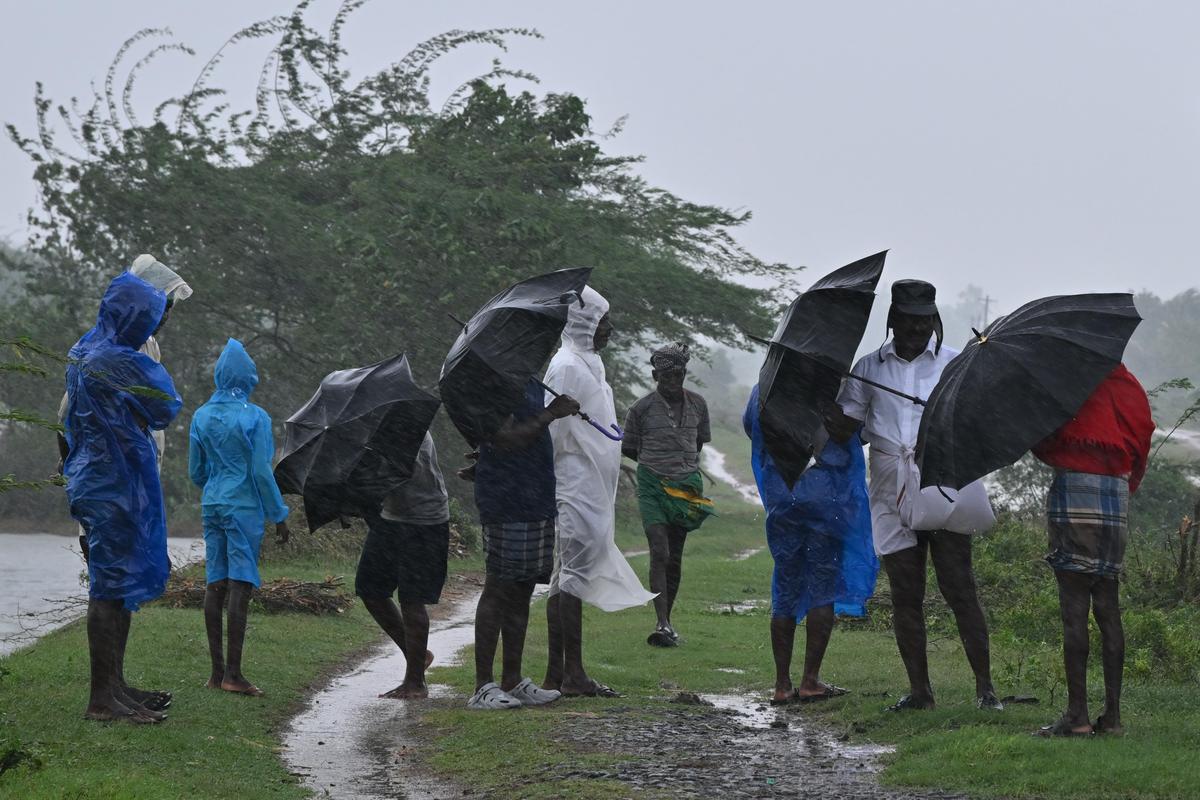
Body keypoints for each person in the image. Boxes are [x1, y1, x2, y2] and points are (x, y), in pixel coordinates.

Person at [829, 279, 1003, 711]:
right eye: (908, 321)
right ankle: (921, 692)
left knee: (959, 587)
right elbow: (845, 430)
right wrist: (824, 393)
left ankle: (986, 690)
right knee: (906, 593)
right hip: (890, 486)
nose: (917, 330)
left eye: (925, 321)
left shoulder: (955, 364)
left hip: (943, 481)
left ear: (935, 321)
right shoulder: (866, 369)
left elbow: (977, 422)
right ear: (893, 321)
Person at [63, 271, 182, 723]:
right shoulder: (120, 359)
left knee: (113, 585)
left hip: (94, 477)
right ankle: (101, 699)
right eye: (150, 317)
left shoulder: (83, 350)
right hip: (118, 481)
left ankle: (115, 687)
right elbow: (165, 407)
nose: (152, 326)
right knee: (109, 588)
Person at [541, 288, 656, 697]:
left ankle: (561, 674)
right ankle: (571, 673)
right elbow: (552, 435)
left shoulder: (590, 363)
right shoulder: (567, 366)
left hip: (593, 485)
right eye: (602, 320)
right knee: (570, 577)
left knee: (566, 577)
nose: (609, 328)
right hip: (575, 485)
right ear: (584, 322)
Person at [1030, 364, 1153, 737]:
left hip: (1075, 490)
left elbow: (1045, 442)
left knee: (1074, 608)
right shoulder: (1125, 382)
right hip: (1114, 494)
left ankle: (1077, 716)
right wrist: (1127, 480)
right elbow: (1142, 434)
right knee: (1107, 604)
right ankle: (1112, 718)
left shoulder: (1065, 382)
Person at [743, 386, 878, 704]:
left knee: (785, 584)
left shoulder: (770, 385)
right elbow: (858, 434)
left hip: (783, 492)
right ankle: (810, 681)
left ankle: (780, 684)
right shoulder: (838, 387)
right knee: (823, 586)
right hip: (825, 497)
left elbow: (752, 426)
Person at [463, 378, 580, 709]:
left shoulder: (527, 380)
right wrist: (551, 414)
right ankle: (482, 686)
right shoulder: (494, 384)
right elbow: (503, 438)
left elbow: (509, 441)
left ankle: (512, 681)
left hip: (535, 497)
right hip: (507, 501)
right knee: (499, 586)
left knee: (523, 589)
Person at [189, 338, 291, 697]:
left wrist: (217, 481)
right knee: (241, 582)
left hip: (212, 503)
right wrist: (278, 514)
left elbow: (196, 472)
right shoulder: (254, 417)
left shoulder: (201, 415)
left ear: (218, 375)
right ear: (248, 377)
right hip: (243, 506)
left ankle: (216, 673)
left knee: (215, 582)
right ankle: (234, 673)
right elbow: (262, 471)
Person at [622, 343, 715, 647]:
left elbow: (699, 443)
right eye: (666, 376)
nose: (673, 381)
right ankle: (660, 622)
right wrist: (659, 467)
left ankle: (668, 622)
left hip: (687, 486)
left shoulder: (699, 405)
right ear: (654, 375)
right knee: (659, 551)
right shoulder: (641, 408)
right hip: (651, 485)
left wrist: (681, 468)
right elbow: (629, 449)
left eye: (678, 374)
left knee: (674, 556)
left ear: (684, 373)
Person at [354, 430, 451, 699]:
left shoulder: (407, 426)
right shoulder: (376, 426)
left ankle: (415, 682)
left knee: (412, 599)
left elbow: (397, 473)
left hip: (424, 519)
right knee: (370, 589)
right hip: (392, 516)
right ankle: (416, 656)